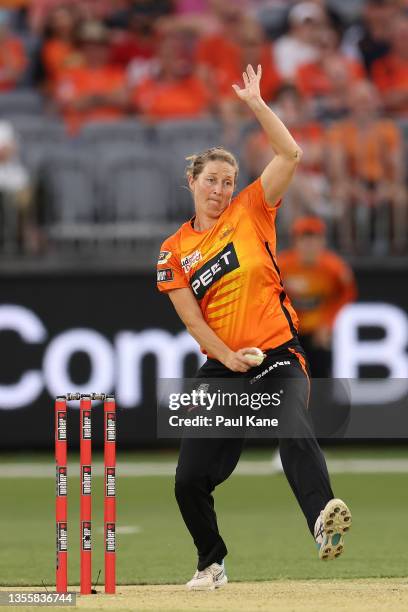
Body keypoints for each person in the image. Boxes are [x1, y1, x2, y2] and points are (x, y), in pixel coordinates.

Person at [156, 64, 352, 591]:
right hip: (223, 365)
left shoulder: (253, 210)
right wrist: (225, 355)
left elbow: (291, 155)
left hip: (276, 354)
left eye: (228, 181)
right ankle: (211, 562)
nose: (221, 189)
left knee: (290, 420)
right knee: (189, 478)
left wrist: (256, 104)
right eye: (211, 180)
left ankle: (320, 518)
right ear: (192, 183)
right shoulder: (174, 250)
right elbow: (191, 318)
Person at [278, 217, 357, 378]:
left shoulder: (334, 268)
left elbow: (347, 294)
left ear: (322, 242)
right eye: (304, 240)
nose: (309, 245)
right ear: (296, 242)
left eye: (313, 240)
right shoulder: (281, 265)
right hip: (290, 333)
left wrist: (328, 323)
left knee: (321, 375)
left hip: (317, 332)